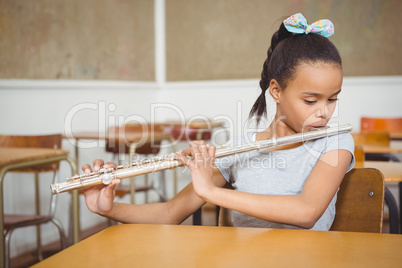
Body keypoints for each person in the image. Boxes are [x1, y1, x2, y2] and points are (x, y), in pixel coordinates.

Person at [81, 13, 354, 230]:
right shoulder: (238, 150)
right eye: (311, 101)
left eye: (332, 99)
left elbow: (306, 212)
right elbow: (169, 213)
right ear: (276, 91)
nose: (324, 113)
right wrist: (109, 208)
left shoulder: (335, 143)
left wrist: (211, 192)